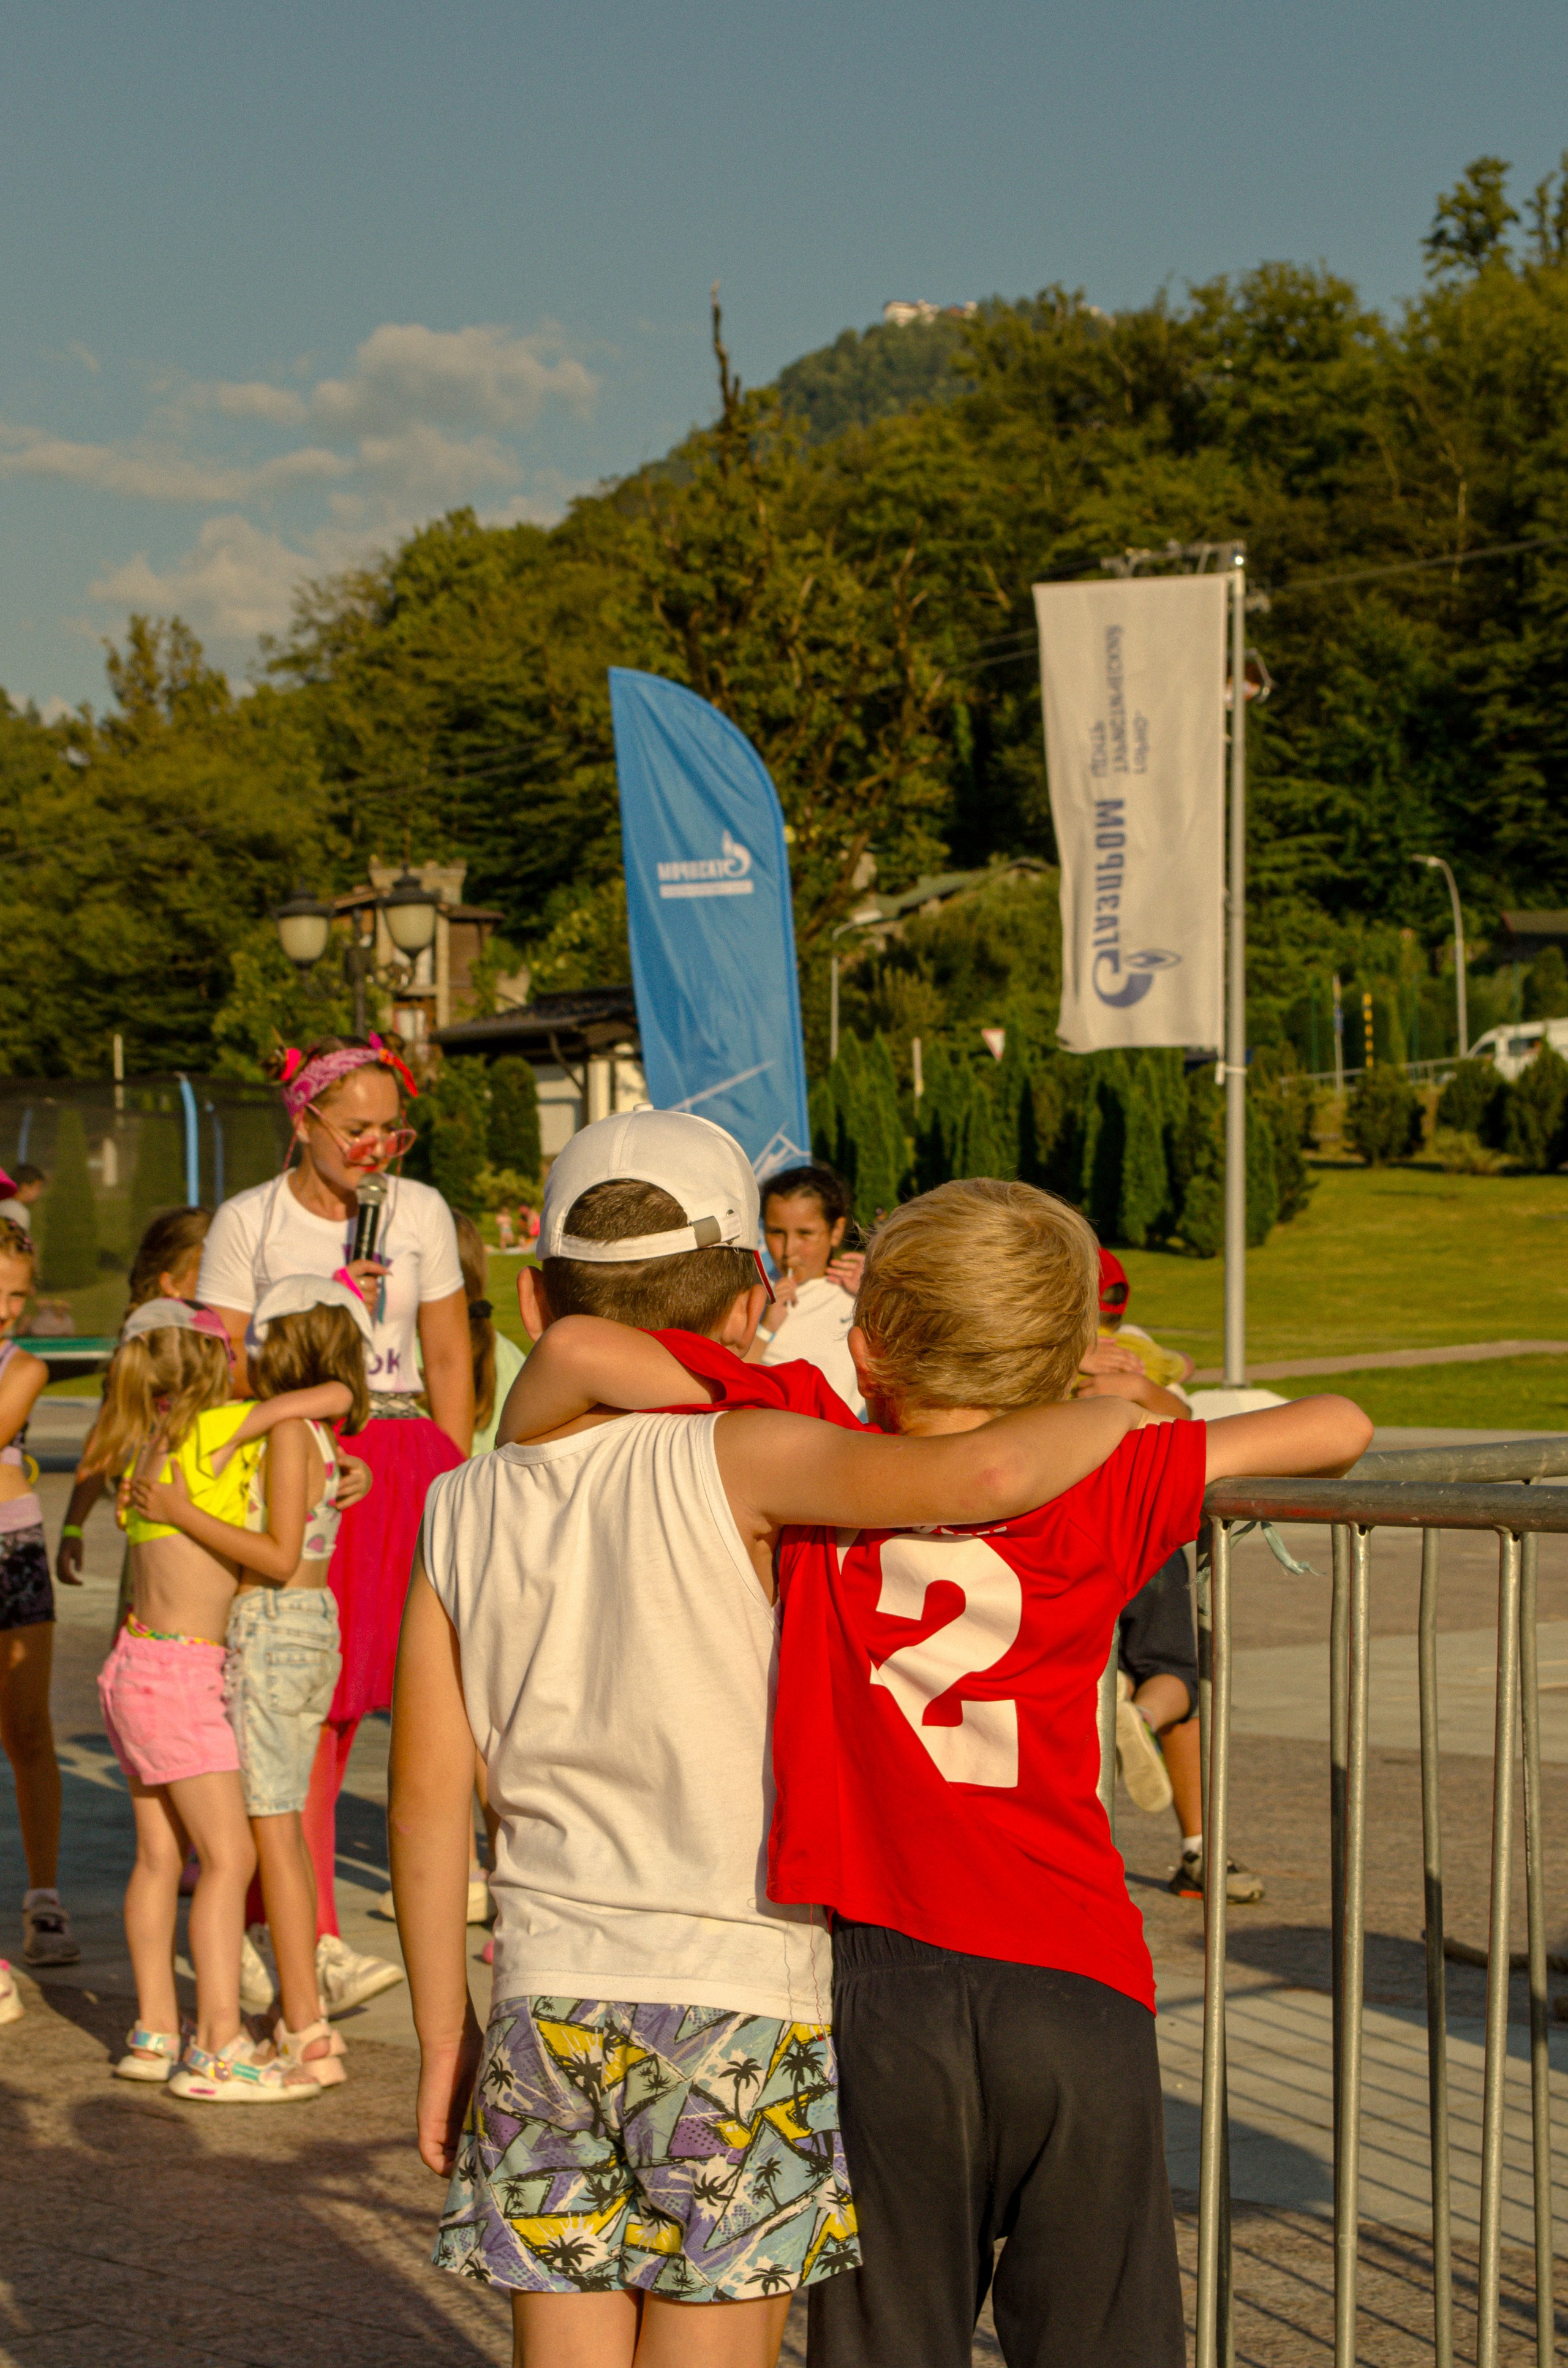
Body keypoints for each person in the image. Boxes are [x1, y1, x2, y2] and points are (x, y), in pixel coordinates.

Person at [497, 1179, 1372, 2368]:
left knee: (890, 2338)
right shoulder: (1112, 1475)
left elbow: (573, 1352)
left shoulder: (818, 1443)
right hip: (1073, 1975)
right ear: (1066, 1350)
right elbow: (1337, 1425)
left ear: (868, 1349)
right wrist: (1114, 1413)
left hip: (881, 1983)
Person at [391, 1110, 1139, 2368]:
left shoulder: (460, 1504)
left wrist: (440, 2038)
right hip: (735, 1995)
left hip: (542, 1993)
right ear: (752, 1300)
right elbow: (979, 1476)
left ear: (531, 1294)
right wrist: (1123, 1424)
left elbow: (421, 1803)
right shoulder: (753, 1460)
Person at [198, 1032, 472, 2013]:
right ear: (303, 1118)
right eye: (355, 1128)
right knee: (305, 1702)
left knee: (408, 1698)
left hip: (401, 1456)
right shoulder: (250, 1220)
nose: (373, 1149)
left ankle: (297, 1913)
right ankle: (302, 1928)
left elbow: (449, 1354)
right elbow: (224, 1360)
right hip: (303, 1455)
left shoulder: (419, 1211)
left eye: (390, 1131)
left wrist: (455, 1475)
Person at [85, 1296, 352, 2100]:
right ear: (211, 1366)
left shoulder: (142, 1443)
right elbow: (335, 1394)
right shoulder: (216, 1430)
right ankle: (219, 2045)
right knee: (230, 1858)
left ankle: (153, 2032)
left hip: (132, 1666)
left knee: (157, 1858)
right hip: (184, 1674)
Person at [1077, 1250, 1265, 1901]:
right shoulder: (1132, 1356)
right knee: (1177, 1675)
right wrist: (1140, 1382)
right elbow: (1185, 1404)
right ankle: (1196, 1840)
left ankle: (1117, 1733)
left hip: (1071, 1537)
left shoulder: (1038, 1353)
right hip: (1148, 1536)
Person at [0, 1217, 78, 2030]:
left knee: (27, 1730)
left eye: (17, 1295)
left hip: (11, 1549)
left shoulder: (25, 1365)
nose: (4, 1309)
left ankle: (44, 1895)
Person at [56, 1205, 212, 1596]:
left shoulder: (231, 1344)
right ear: (170, 1283)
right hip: (160, 1528)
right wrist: (73, 1527)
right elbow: (106, 1441)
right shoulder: (147, 1355)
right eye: (211, 1268)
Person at [750, 1163, 865, 1417]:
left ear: (836, 1231)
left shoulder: (858, 1295)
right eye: (776, 1232)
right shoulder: (749, 1294)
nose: (789, 1250)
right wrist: (765, 1329)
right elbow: (729, 1382)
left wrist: (879, 1294)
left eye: (805, 1234)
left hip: (846, 1439)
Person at [0, 1165, 46, 1235]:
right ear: (25, 1187)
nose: (39, 1193)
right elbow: (18, 1240)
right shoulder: (17, 1211)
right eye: (37, 1188)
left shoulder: (4, 1204)